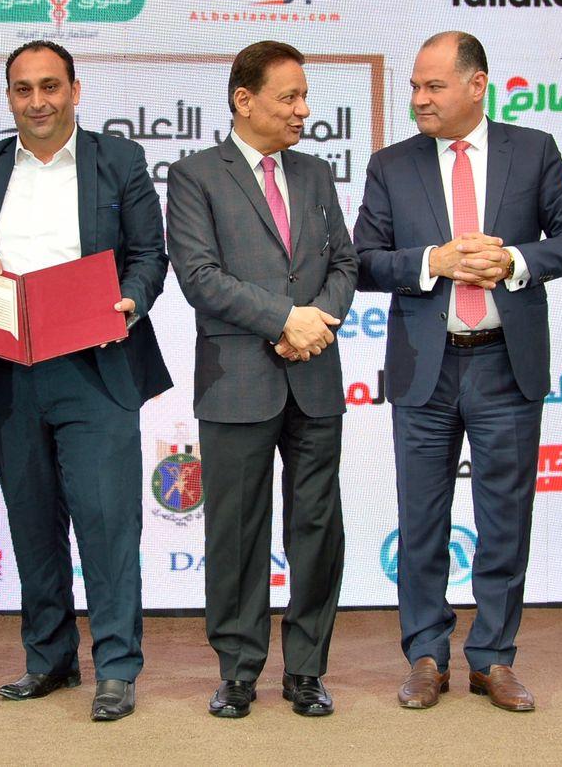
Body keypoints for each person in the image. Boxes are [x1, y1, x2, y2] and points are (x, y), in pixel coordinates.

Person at [353, 31, 562, 712]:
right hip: (423, 370)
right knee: (421, 520)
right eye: (414, 86)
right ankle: (425, 656)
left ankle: (493, 658)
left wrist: (515, 261)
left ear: (476, 85)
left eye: (433, 86)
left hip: (505, 365)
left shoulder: (534, 150)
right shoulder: (391, 164)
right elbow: (363, 260)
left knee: (505, 520)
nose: (419, 99)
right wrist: (431, 261)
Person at [0, 40, 172, 722]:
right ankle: (49, 658)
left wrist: (131, 300)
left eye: (49, 86)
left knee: (107, 523)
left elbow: (148, 254)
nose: (37, 101)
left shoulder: (118, 160)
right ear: (9, 97)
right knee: (32, 521)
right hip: (10, 369)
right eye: (23, 89)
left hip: (96, 363)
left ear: (74, 90)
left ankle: (117, 668)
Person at [165, 40, 357, 719]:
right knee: (237, 532)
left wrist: (315, 321)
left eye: (305, 97)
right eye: (289, 97)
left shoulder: (315, 173)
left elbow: (345, 263)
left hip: (315, 376)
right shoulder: (194, 176)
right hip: (237, 380)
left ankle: (306, 669)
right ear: (243, 101)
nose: (303, 110)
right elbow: (199, 276)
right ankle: (238, 670)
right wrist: (283, 319)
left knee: (317, 529)